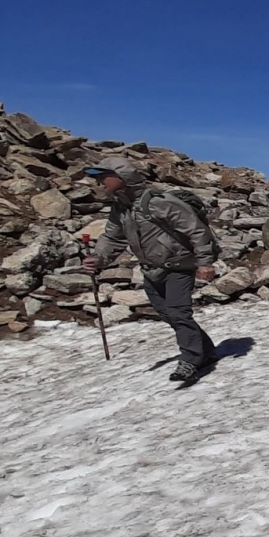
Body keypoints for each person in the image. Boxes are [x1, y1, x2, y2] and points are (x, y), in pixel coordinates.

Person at [80, 156, 220, 384]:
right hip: (152, 269)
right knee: (167, 313)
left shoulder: (160, 202)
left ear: (121, 177)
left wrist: (204, 262)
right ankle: (205, 350)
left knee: (178, 311)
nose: (99, 183)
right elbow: (112, 237)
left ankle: (190, 360)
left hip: (179, 266)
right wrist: (98, 259)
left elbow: (196, 231)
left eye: (103, 177)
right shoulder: (121, 208)